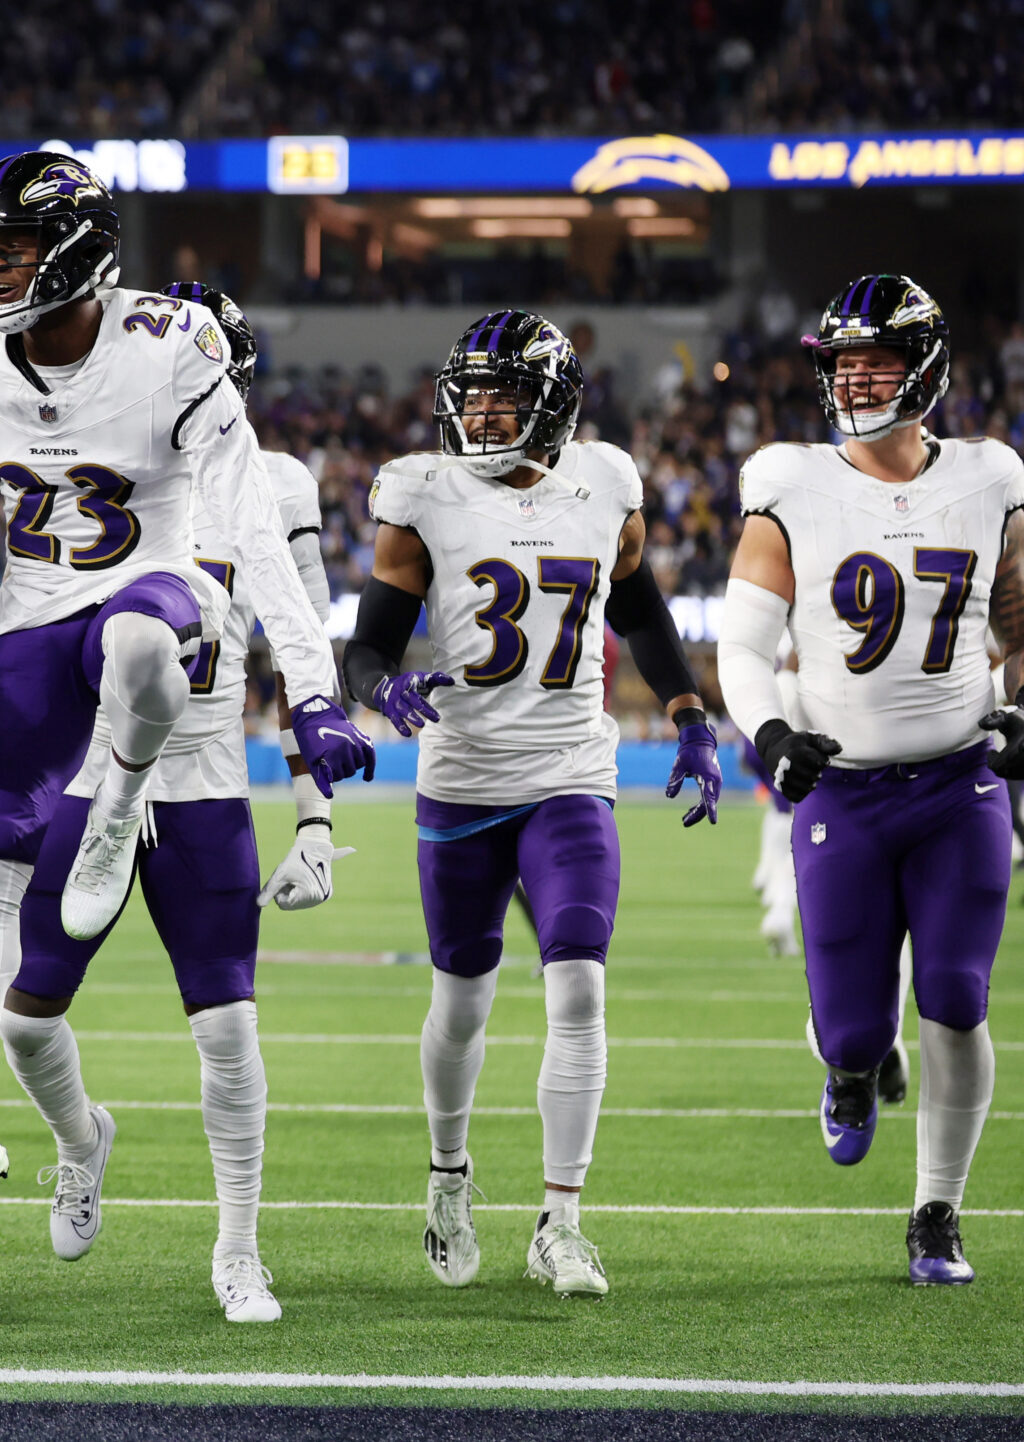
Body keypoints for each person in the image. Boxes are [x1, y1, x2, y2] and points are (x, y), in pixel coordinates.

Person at [0, 156, 374, 1238]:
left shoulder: (169, 347)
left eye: (18, 244)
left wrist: (312, 699)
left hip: (155, 605)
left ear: (77, 245)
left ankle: (116, 794)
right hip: (27, 618)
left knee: (134, 637)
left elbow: (255, 536)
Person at [345, 309, 722, 1301]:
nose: (481, 409)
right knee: (461, 1003)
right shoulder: (419, 491)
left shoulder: (604, 482)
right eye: (470, 392)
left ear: (553, 403)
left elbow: (634, 602)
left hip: (568, 775)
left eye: (503, 392)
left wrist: (687, 710)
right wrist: (378, 684)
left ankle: (560, 1220)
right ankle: (447, 1176)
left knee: (579, 988)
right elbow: (368, 638)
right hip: (463, 780)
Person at [0, 285, 343, 1323]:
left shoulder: (271, 480)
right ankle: (78, 1138)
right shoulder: (87, 450)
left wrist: (315, 819)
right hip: (97, 774)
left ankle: (238, 1249)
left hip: (202, 783)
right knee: (24, 1020)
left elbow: (292, 646)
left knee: (228, 1027)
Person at [718, 274, 1013, 1286]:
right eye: (842, 363)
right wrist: (765, 732)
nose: (855, 379)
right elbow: (744, 644)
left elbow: (1021, 626)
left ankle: (936, 1211)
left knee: (956, 997)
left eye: (875, 360)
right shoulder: (791, 480)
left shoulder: (988, 476)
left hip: (958, 784)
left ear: (925, 368)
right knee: (848, 1026)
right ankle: (850, 1067)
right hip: (841, 789)